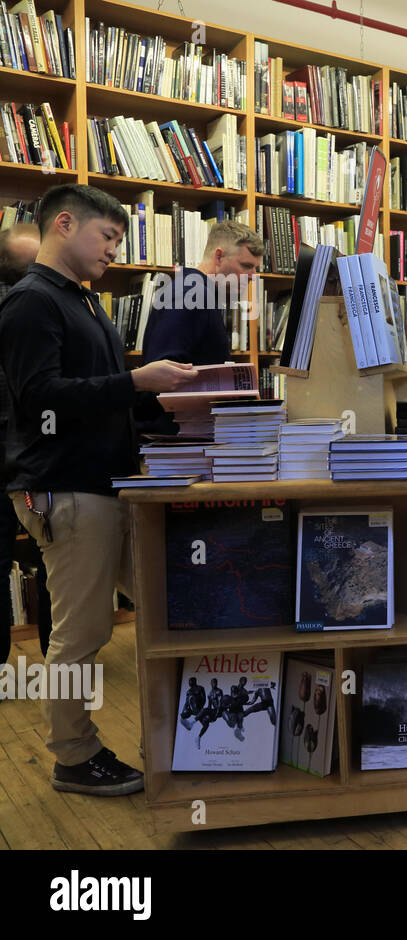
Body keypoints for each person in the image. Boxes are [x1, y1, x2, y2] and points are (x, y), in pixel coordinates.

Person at [0, 183, 198, 795]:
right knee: (80, 634)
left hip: (106, 484)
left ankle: (180, 736)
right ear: (64, 224)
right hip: (66, 485)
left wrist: (165, 404)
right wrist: (136, 380)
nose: (115, 249)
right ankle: (72, 756)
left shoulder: (82, 301)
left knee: (166, 609)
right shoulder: (32, 302)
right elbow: (38, 400)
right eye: (107, 236)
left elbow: (97, 395)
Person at [0, 223, 52, 665]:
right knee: (55, 562)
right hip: (37, 458)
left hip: (25, 457)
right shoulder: (42, 308)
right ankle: (60, 663)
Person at [141, 219, 263, 367]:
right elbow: (163, 374)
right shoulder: (192, 294)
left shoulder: (196, 291)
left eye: (255, 268)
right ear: (219, 257)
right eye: (246, 266)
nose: (252, 276)